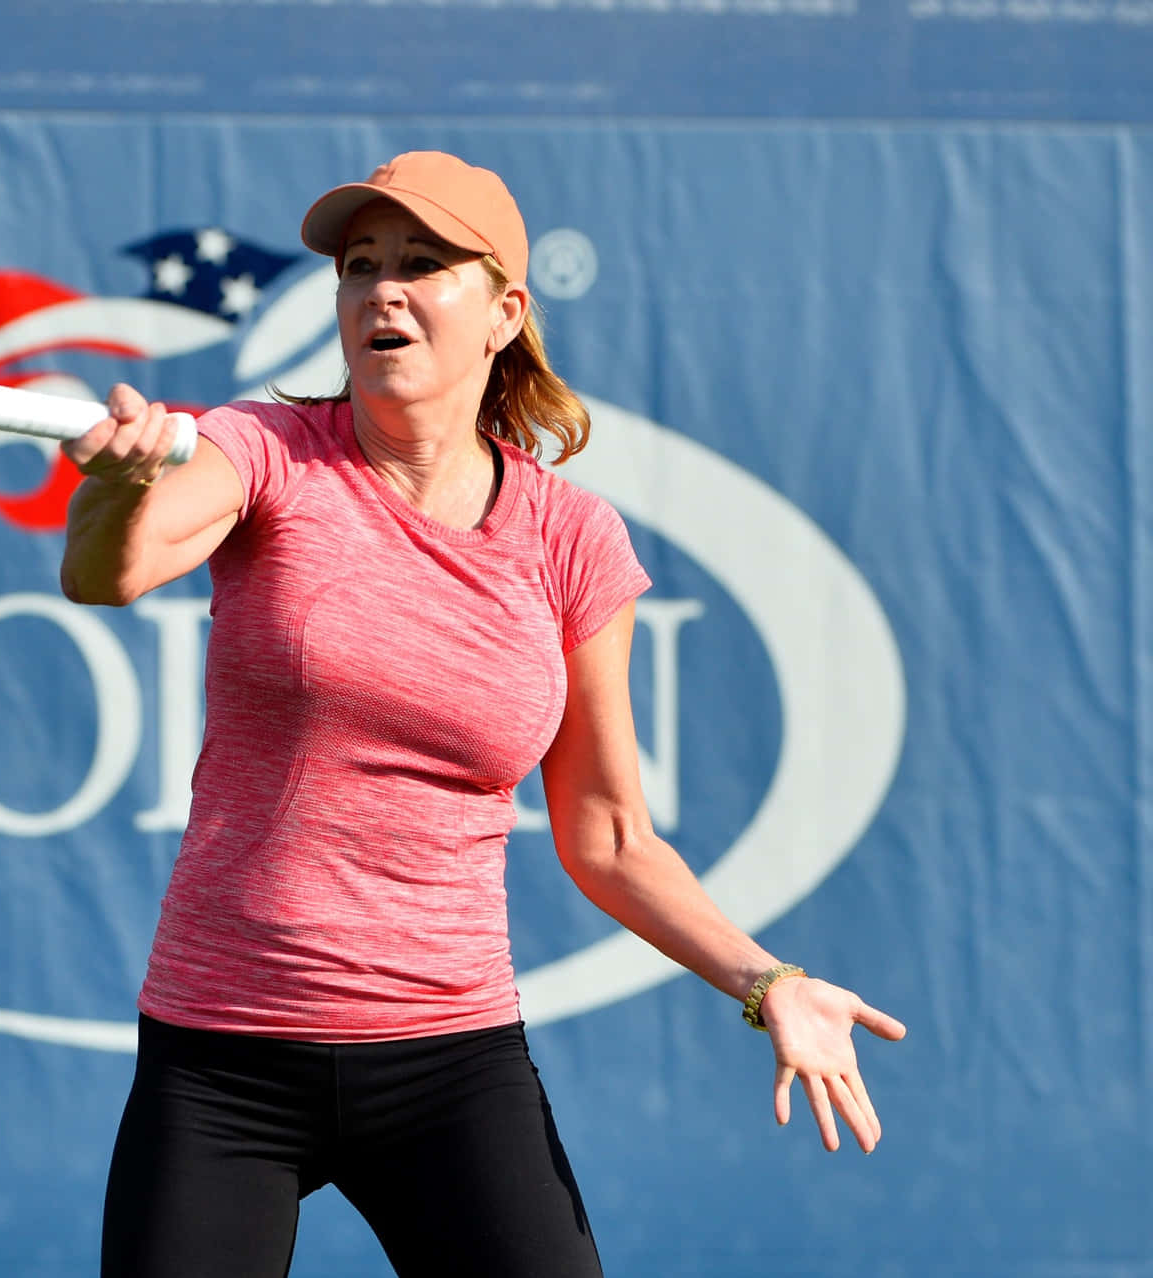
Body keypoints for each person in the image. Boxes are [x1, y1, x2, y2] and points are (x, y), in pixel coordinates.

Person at [59, 150, 905, 1278]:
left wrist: (771, 984)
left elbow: (608, 835)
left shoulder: (572, 540)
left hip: (449, 1062)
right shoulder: (264, 448)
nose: (382, 291)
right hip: (223, 1056)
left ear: (505, 310)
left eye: (422, 264)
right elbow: (109, 575)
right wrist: (114, 487)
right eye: (361, 267)